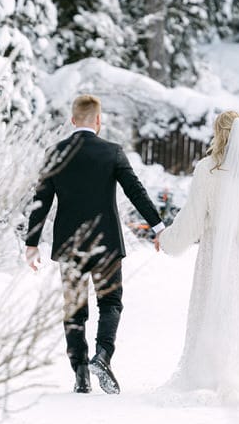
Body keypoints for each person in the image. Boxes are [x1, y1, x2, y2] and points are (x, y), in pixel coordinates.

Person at [25, 92, 164, 395]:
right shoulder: (112, 152)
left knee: (74, 309)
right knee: (110, 303)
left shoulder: (55, 153)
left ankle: (80, 374)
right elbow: (135, 191)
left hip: (70, 246)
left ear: (73, 120)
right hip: (107, 244)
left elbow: (41, 201)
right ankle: (102, 356)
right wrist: (158, 226)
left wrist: (31, 242)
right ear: (99, 121)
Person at [158, 110, 239, 398]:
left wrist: (168, 240)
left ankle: (213, 369)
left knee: (214, 307)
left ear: (218, 134)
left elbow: (192, 218)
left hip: (214, 255)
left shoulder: (208, 169)